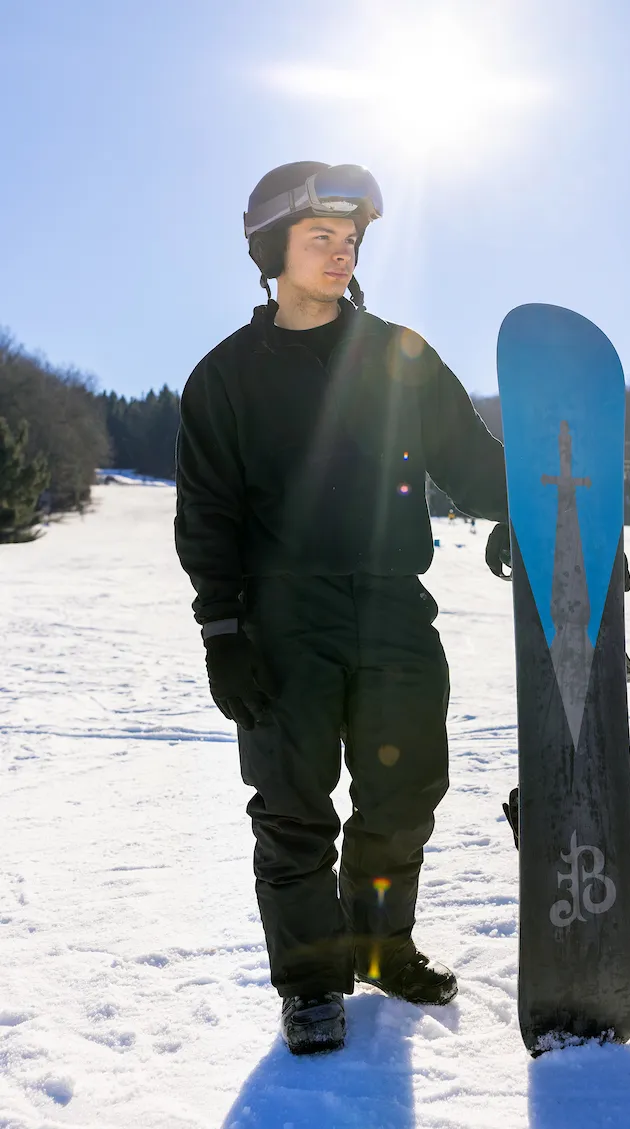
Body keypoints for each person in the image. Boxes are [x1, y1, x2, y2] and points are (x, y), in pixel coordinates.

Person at [174, 162, 507, 1055]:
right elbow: (207, 515)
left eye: (350, 238)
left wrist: (522, 513)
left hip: (395, 606)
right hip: (285, 620)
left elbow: (470, 458)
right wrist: (223, 629)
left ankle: (380, 946)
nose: (340, 251)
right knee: (292, 810)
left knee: (405, 796)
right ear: (270, 249)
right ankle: (313, 983)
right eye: (320, 236)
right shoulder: (226, 378)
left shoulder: (398, 353)